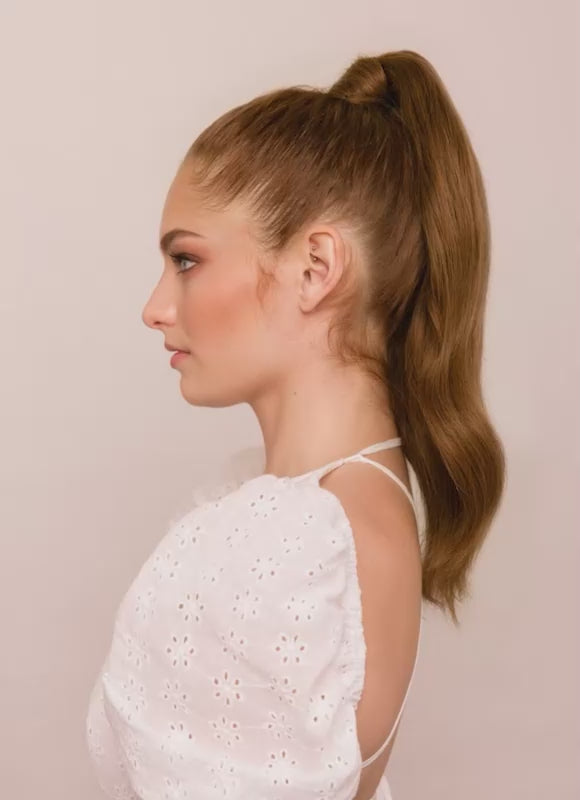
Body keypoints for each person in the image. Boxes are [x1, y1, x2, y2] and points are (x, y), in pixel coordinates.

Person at [86, 49, 505, 800]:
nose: (155, 307)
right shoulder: (344, 510)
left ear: (316, 268)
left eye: (186, 260)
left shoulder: (301, 539)